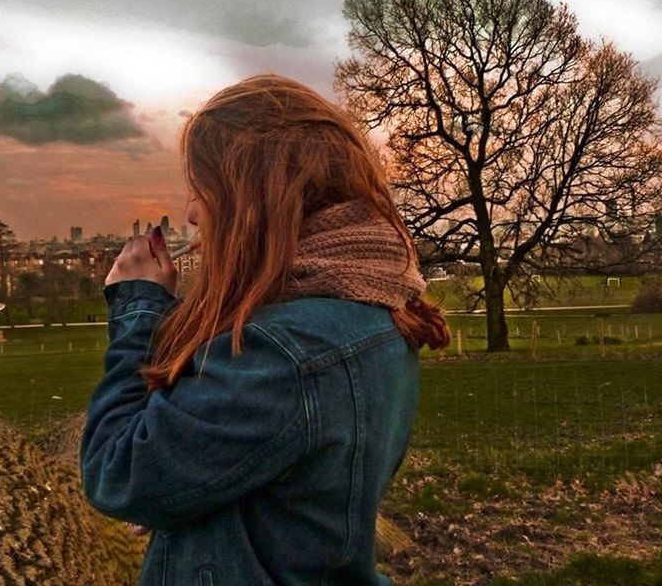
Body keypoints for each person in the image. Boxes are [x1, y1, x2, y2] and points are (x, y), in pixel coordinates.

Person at [79, 74, 450, 585]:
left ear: (255, 197)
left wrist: (138, 309)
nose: (191, 210)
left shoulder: (281, 355)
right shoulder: (379, 312)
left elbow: (117, 473)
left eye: (204, 189)